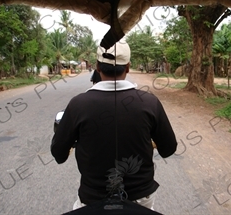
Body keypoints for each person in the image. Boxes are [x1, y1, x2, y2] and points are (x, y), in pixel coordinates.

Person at [51, 41, 177, 211]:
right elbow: (168, 149)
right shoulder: (149, 102)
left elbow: (59, 154)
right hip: (140, 198)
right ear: (127, 67)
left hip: (93, 199)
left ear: (97, 67)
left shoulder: (78, 105)